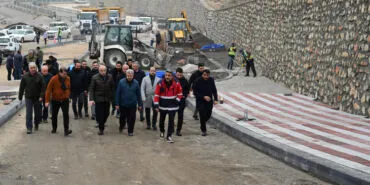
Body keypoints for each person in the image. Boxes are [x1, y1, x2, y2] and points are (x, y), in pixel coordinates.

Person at [154, 70, 182, 143]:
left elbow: (180, 93)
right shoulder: (160, 83)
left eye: (169, 75)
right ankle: (162, 131)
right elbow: (156, 94)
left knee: (171, 121)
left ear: (172, 76)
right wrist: (156, 104)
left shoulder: (177, 83)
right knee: (161, 121)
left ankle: (169, 136)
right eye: (166, 75)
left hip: (173, 105)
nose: (167, 77)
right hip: (163, 105)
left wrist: (177, 100)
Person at [18, 62, 45, 134]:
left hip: (37, 98)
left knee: (38, 113)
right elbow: (22, 88)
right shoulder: (25, 76)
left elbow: (43, 88)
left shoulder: (40, 76)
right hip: (28, 97)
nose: (33, 69)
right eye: (31, 68)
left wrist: (41, 96)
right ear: (29, 68)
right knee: (29, 113)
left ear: (36, 68)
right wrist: (20, 98)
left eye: (34, 68)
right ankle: (29, 128)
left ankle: (36, 124)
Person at [45, 67, 72, 136]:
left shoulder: (68, 78)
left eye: (66, 74)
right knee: (54, 115)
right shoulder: (54, 79)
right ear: (60, 73)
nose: (65, 75)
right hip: (55, 100)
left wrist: (68, 95)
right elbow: (48, 90)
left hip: (65, 100)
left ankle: (66, 130)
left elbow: (69, 88)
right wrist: (47, 101)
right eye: (64, 74)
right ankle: (54, 128)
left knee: (66, 115)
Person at [115, 69, 143, 135]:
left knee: (132, 118)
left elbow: (138, 95)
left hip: (133, 104)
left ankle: (130, 131)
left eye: (130, 75)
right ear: (126, 75)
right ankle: (121, 126)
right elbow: (117, 93)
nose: (129, 77)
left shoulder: (136, 83)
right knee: (122, 118)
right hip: (123, 104)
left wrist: (140, 104)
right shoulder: (121, 82)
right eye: (128, 75)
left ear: (133, 75)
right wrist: (117, 103)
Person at [89, 65, 114, 135]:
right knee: (100, 114)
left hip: (107, 98)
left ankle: (102, 122)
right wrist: (91, 99)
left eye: (104, 70)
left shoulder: (110, 77)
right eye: (101, 71)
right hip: (98, 98)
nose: (103, 72)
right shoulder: (94, 77)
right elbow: (91, 89)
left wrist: (113, 97)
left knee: (107, 113)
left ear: (106, 70)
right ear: (99, 71)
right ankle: (101, 129)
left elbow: (112, 87)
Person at [193, 69, 218, 136]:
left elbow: (214, 90)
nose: (206, 77)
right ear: (202, 75)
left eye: (207, 75)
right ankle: (203, 130)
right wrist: (203, 97)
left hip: (209, 101)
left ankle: (202, 123)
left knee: (208, 114)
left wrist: (216, 99)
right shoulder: (198, 81)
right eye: (204, 75)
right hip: (200, 101)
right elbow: (195, 92)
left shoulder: (211, 80)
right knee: (202, 114)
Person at [175, 67, 190, 136]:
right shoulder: (173, 80)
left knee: (180, 116)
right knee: (172, 115)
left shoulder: (185, 80)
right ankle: (171, 128)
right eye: (178, 75)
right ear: (176, 74)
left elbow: (187, 89)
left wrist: (184, 95)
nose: (179, 77)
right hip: (173, 100)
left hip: (181, 100)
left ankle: (178, 130)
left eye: (180, 75)